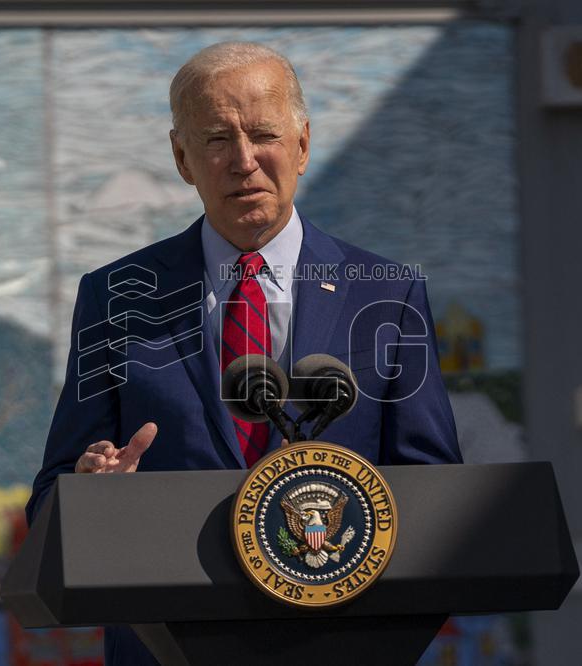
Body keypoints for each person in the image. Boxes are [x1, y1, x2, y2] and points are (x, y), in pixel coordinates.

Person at [26, 41, 462, 666]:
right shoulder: (115, 297)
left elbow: (435, 488)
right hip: (166, 645)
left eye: (263, 134)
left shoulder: (386, 293)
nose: (244, 161)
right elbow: (51, 493)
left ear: (303, 145)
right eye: (216, 140)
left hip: (337, 643)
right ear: (182, 158)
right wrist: (91, 493)